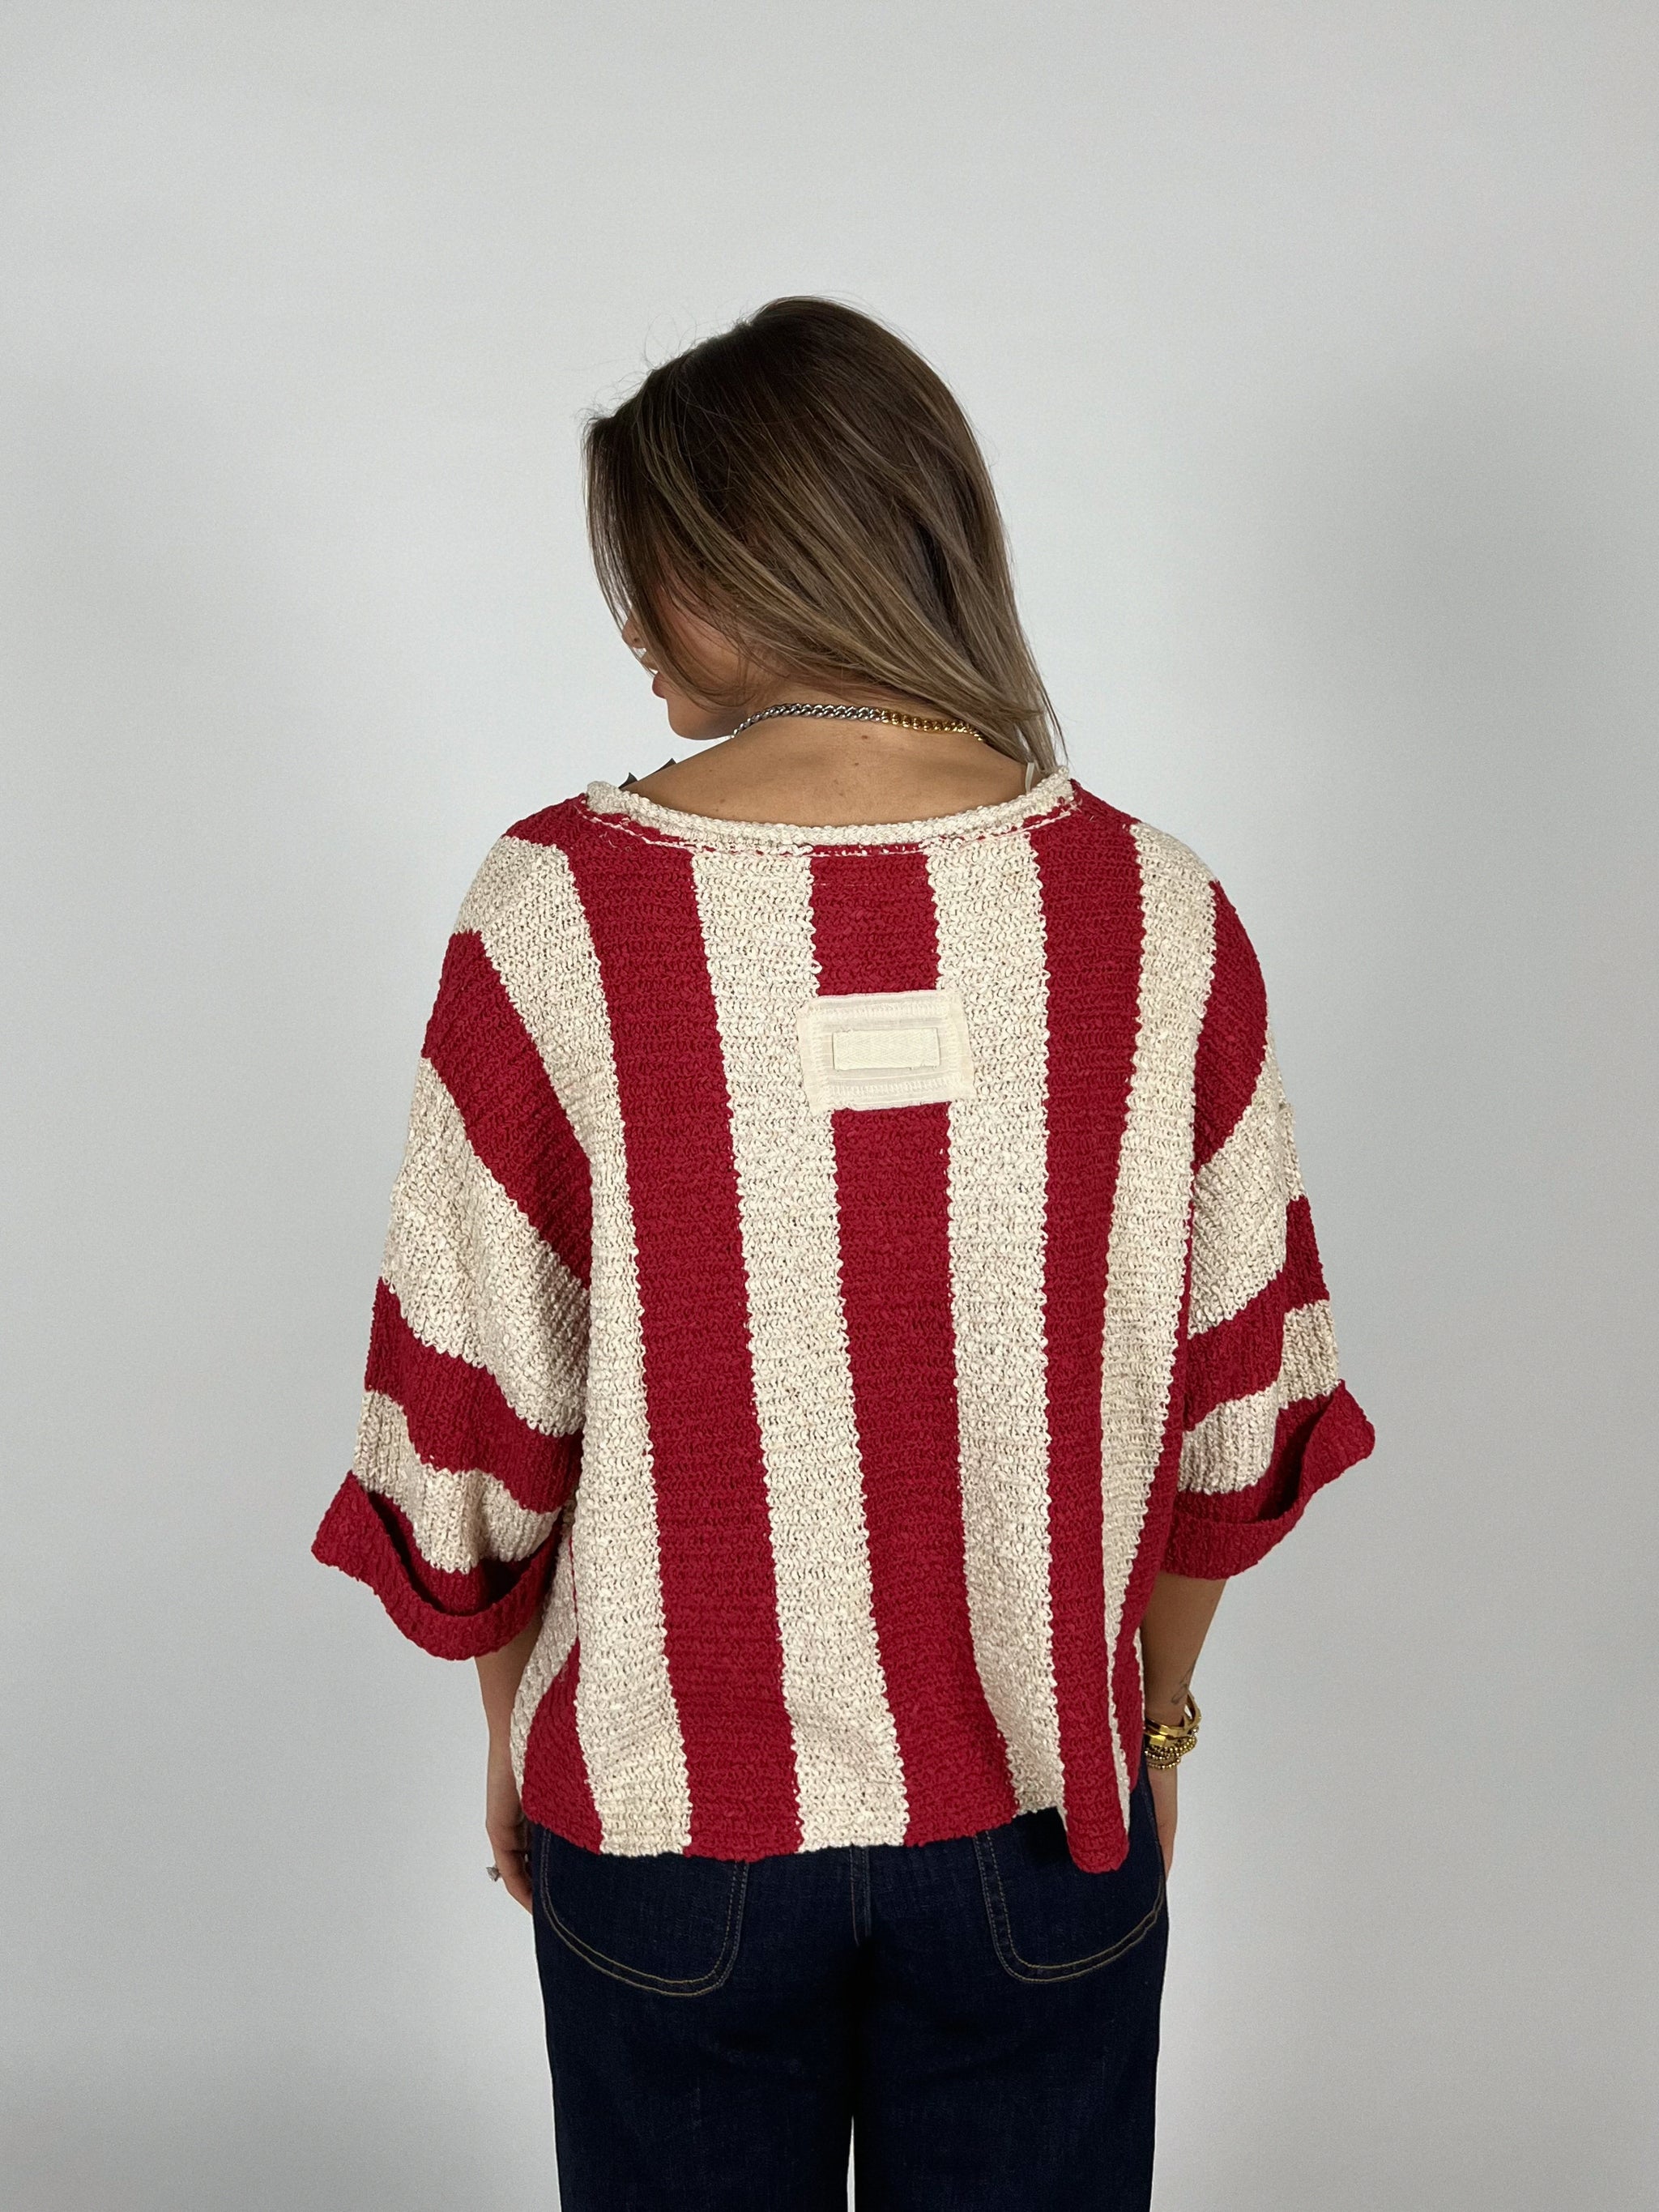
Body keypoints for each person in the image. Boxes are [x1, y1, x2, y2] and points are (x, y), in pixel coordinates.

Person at [312, 295, 1375, 2210]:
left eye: (647, 566)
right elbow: (1235, 1416)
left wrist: (512, 1725)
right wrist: (1150, 1718)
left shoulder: (558, 911)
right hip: (1044, 1827)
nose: (627, 626)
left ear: (763, 550)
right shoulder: (1151, 912)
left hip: (668, 1827)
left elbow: (468, 1424)